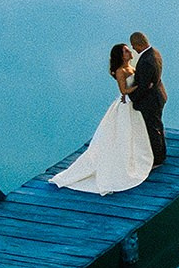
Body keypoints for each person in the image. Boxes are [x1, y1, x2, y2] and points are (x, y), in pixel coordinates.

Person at [50, 42, 154, 194]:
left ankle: (136, 158)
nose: (129, 52)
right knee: (123, 134)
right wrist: (142, 87)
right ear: (120, 55)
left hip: (133, 104)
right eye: (125, 51)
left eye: (128, 50)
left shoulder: (131, 67)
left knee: (134, 133)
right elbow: (124, 90)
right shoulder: (120, 71)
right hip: (126, 105)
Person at [127, 30, 167, 164]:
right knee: (157, 126)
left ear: (139, 44)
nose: (133, 49)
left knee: (152, 129)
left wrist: (132, 98)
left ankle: (157, 159)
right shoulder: (155, 53)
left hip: (151, 100)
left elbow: (143, 86)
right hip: (159, 95)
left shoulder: (146, 61)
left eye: (134, 46)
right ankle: (161, 154)